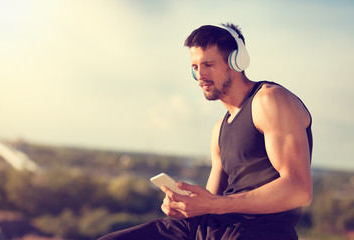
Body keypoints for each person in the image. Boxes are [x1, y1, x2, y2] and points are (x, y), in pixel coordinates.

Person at [98, 23, 313, 240]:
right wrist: (186, 206)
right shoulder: (219, 128)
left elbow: (298, 190)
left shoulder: (270, 100)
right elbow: (211, 199)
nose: (200, 75)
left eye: (208, 64)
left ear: (236, 61)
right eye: (195, 67)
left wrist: (216, 204)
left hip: (259, 232)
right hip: (209, 227)